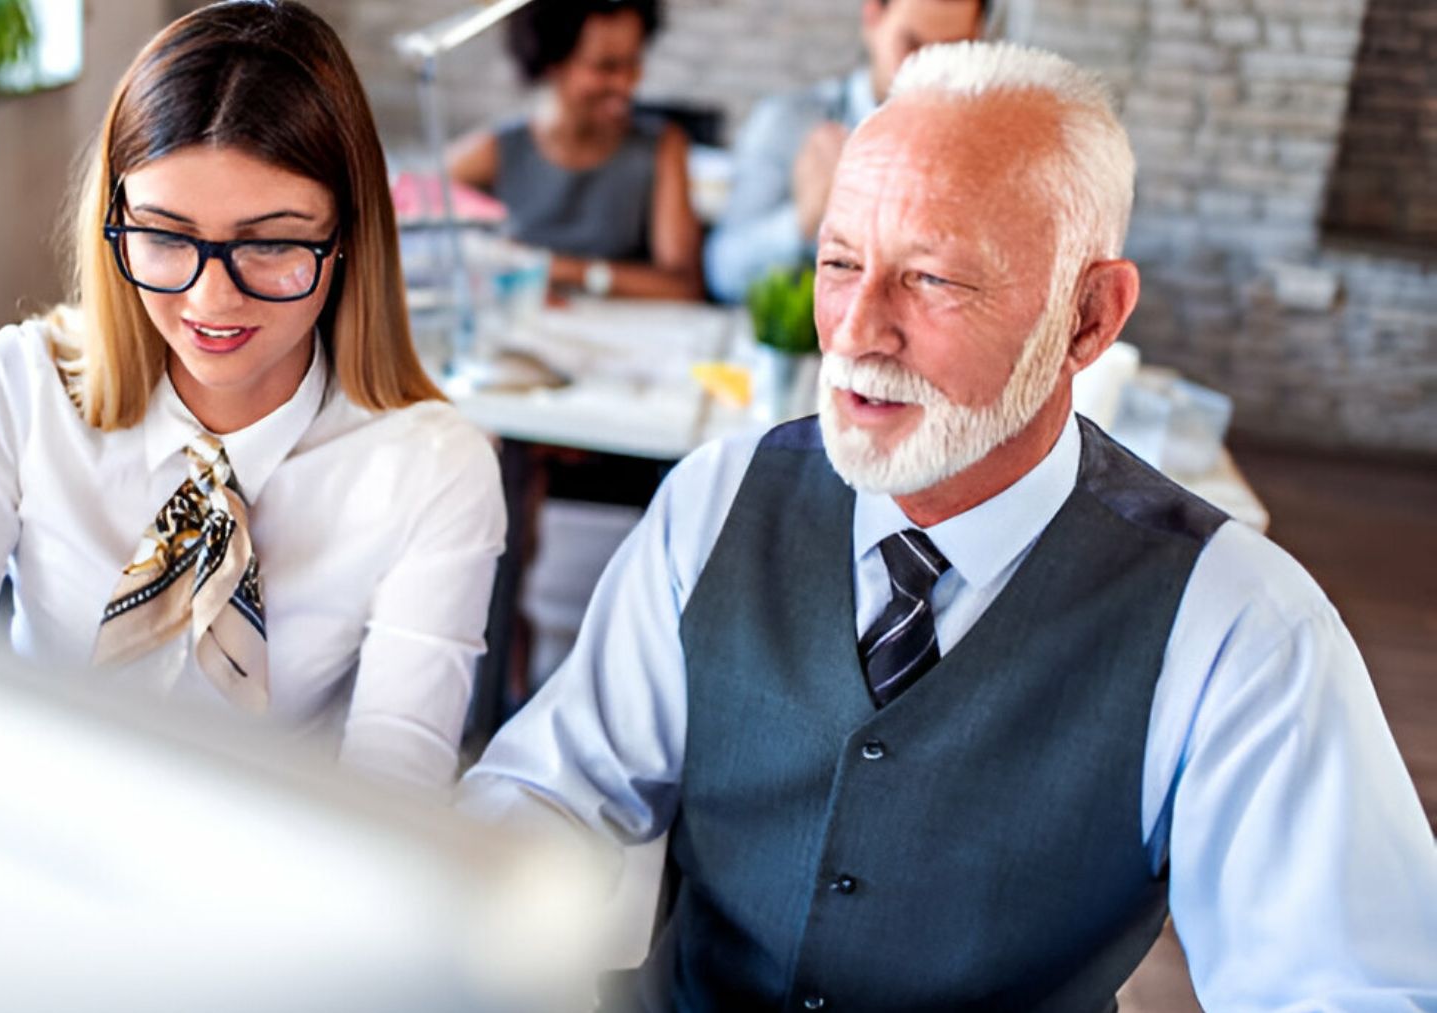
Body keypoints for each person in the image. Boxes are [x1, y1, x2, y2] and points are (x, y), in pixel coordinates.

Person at [460, 41, 1437, 1010]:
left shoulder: (1235, 622)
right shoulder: (716, 499)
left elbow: (1348, 985)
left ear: (1090, 318)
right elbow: (553, 786)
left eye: (931, 278)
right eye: (840, 261)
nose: (854, 330)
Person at [0, 0, 506, 790]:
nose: (211, 301)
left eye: (271, 242)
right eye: (167, 236)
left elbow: (395, 789)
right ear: (115, 223)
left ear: (346, 238)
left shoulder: (433, 469)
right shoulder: (15, 389)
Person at [703, 0, 986, 303]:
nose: (930, 72)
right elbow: (724, 274)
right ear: (873, 17)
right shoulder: (789, 121)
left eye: (951, 51)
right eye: (912, 44)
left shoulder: (988, 149)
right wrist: (806, 217)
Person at [447, 0, 702, 301]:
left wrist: (551, 269)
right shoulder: (496, 150)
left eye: (633, 63)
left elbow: (683, 287)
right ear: (552, 63)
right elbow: (408, 221)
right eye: (605, 67)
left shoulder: (662, 147)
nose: (625, 85)